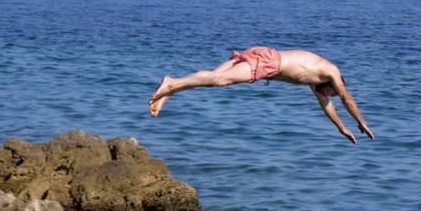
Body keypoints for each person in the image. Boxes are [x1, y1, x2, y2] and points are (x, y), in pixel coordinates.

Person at [148, 47, 375, 144]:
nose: (328, 96)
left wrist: (341, 128)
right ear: (335, 86)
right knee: (219, 80)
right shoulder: (331, 71)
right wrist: (361, 122)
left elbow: (327, 107)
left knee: (212, 78)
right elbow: (348, 99)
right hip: (268, 63)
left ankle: (169, 93)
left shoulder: (316, 81)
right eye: (332, 93)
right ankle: (171, 82)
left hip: (264, 55)